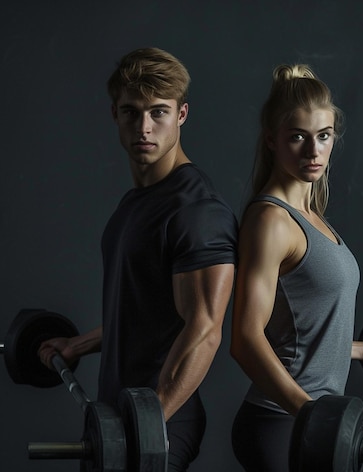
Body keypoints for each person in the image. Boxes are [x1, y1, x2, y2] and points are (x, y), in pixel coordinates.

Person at [37, 47, 237, 471]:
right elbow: (142, 313)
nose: (143, 128)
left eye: (158, 113)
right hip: (117, 417)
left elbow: (205, 329)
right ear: (115, 114)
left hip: (159, 422)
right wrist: (78, 345)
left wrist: (148, 423)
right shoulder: (136, 203)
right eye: (131, 112)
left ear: (182, 114)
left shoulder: (196, 209)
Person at [229, 64, 363, 471]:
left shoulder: (313, 217)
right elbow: (244, 339)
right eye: (298, 137)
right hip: (279, 423)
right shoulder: (271, 221)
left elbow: (299, 338)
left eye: (323, 137)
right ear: (272, 140)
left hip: (308, 422)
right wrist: (309, 413)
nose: (314, 151)